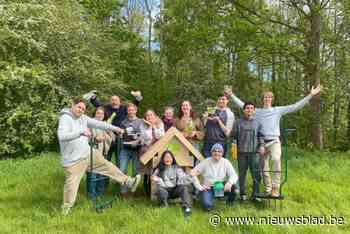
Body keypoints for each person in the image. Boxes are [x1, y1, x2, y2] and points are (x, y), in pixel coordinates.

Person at [225, 85, 322, 197]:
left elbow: (295, 106)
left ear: (272, 99)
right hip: (261, 143)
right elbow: (243, 105)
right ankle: (268, 189)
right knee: (263, 166)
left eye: (269, 97)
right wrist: (231, 95)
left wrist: (311, 95)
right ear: (263, 99)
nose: (267, 99)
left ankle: (275, 188)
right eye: (265, 97)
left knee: (276, 159)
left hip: (274, 141)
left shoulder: (278, 110)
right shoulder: (257, 111)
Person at [57, 98, 141, 215]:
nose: (80, 110)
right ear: (72, 105)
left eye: (83, 109)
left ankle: (128, 181)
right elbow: (62, 136)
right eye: (79, 107)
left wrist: (115, 128)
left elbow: (99, 124)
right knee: (71, 186)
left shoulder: (83, 118)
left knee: (107, 166)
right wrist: (80, 132)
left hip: (87, 153)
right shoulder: (65, 118)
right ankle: (66, 209)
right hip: (73, 161)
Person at [83, 90, 143, 164]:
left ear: (119, 101)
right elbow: (98, 106)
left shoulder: (123, 108)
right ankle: (105, 173)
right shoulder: (107, 107)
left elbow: (132, 107)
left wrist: (137, 98)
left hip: (120, 137)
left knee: (119, 159)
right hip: (108, 136)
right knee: (106, 156)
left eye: (116, 100)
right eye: (112, 100)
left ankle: (117, 174)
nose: (114, 101)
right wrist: (93, 98)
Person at [231, 102, 264, 201]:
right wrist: (234, 151)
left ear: (254, 110)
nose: (249, 110)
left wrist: (262, 145)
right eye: (247, 108)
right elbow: (233, 137)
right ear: (244, 110)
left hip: (254, 153)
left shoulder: (258, 123)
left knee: (256, 174)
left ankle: (256, 194)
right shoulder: (237, 122)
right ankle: (242, 194)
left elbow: (261, 136)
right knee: (242, 174)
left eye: (251, 108)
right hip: (241, 153)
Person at [190, 143, 238, 211]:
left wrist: (229, 183)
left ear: (222, 153)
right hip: (208, 188)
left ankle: (229, 202)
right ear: (211, 152)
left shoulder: (225, 162)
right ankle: (207, 199)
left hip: (220, 187)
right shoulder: (206, 162)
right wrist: (199, 186)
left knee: (234, 187)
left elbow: (234, 175)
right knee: (206, 206)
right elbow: (192, 173)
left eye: (219, 151)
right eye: (214, 151)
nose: (217, 153)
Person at [151, 150, 192, 215]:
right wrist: (158, 179)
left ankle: (186, 208)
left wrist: (189, 176)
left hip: (174, 190)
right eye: (166, 157)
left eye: (170, 157)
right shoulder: (159, 169)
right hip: (164, 190)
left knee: (184, 187)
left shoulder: (176, 168)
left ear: (172, 159)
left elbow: (182, 177)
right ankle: (163, 205)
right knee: (160, 190)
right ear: (163, 159)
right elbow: (153, 177)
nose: (168, 159)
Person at [86, 107, 114, 198]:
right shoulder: (89, 124)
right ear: (94, 114)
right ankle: (91, 195)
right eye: (98, 113)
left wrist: (105, 136)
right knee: (92, 174)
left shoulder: (105, 125)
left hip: (103, 152)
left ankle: (100, 194)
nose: (100, 115)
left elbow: (112, 138)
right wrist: (94, 138)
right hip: (92, 152)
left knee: (101, 173)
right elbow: (85, 138)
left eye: (102, 114)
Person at [118, 103, 143, 197]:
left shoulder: (141, 121)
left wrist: (137, 140)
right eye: (129, 110)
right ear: (127, 111)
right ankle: (123, 192)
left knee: (136, 171)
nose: (131, 112)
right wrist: (120, 135)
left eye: (132, 110)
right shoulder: (123, 122)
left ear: (136, 110)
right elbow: (121, 135)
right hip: (125, 149)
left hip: (137, 150)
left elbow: (145, 134)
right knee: (122, 170)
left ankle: (133, 191)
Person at [139, 109, 165, 195]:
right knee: (146, 171)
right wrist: (149, 127)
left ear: (155, 116)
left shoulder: (160, 123)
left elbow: (160, 136)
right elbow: (147, 138)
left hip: (157, 150)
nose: (149, 117)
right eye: (148, 115)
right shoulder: (142, 125)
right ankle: (146, 191)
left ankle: (154, 190)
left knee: (155, 169)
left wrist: (154, 126)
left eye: (151, 115)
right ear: (145, 117)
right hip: (146, 150)